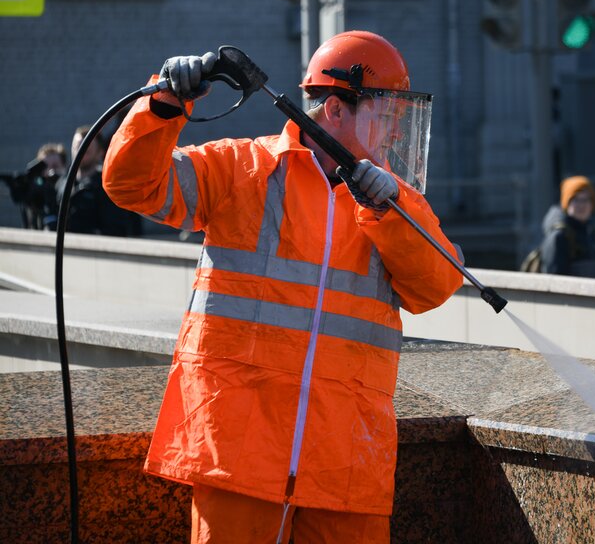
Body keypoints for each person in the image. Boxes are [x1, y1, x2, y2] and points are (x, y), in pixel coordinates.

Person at [102, 31, 462, 543]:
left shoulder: (392, 201)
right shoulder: (239, 170)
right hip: (239, 456)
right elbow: (132, 185)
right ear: (335, 110)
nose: (396, 130)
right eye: (387, 111)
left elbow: (436, 287)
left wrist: (392, 215)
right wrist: (163, 105)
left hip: (345, 464)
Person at [56, 126, 139, 236]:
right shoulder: (62, 184)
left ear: (100, 153)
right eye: (76, 148)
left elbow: (116, 229)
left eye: (87, 150)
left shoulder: (108, 187)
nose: (79, 153)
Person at [538, 175, 595, 278]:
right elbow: (554, 283)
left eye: (586, 199)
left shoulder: (591, 233)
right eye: (575, 199)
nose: (581, 205)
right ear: (566, 203)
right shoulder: (559, 237)